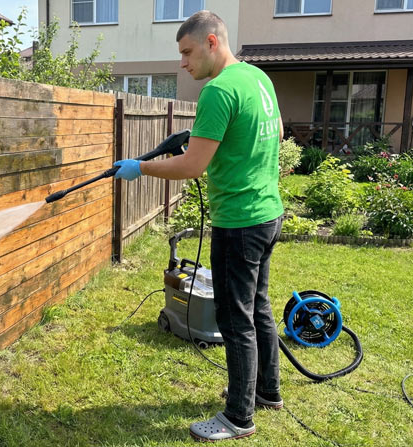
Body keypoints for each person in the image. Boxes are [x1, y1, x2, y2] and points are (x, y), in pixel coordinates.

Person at [112, 10, 285, 442]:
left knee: (235, 319)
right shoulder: (257, 78)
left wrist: (141, 167)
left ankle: (239, 417)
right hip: (268, 213)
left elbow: (192, 167)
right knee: (258, 307)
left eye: (188, 52)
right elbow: (277, 133)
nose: (183, 63)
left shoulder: (219, 90)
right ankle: (266, 390)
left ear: (212, 42)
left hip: (239, 222)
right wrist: (218, 137)